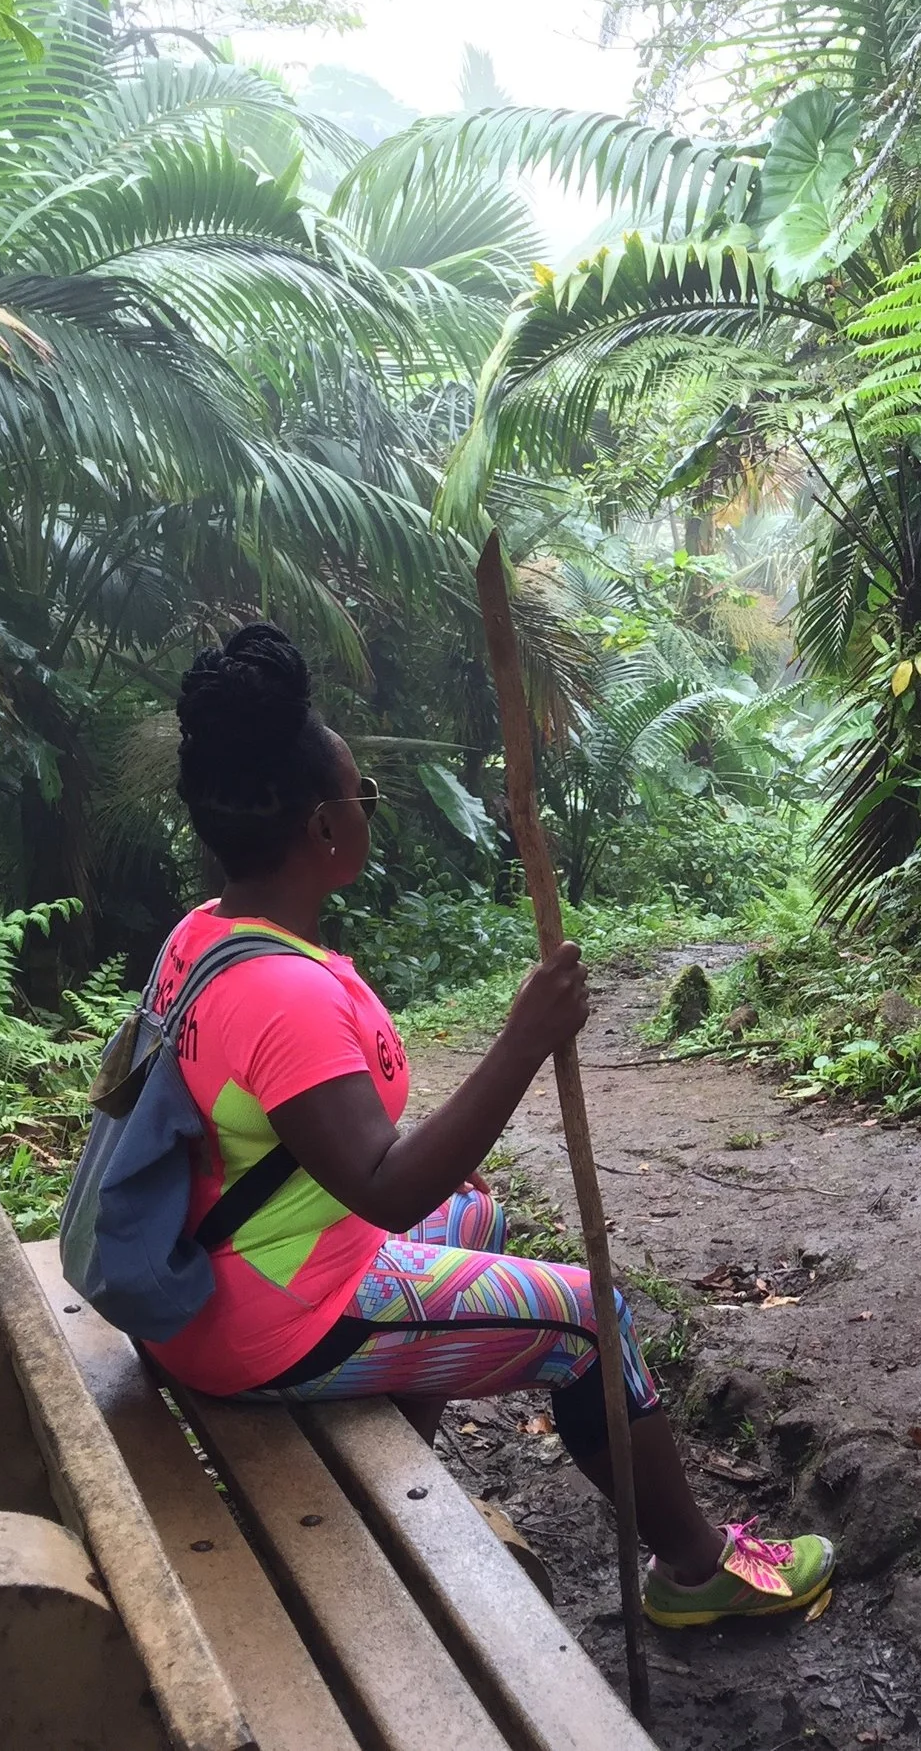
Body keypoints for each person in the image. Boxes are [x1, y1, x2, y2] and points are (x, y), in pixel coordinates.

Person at [144, 619, 831, 1627]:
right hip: (273, 1319)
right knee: (590, 1318)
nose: (365, 813)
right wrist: (523, 1040)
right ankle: (697, 1573)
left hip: (225, 1276)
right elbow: (385, 1187)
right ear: (325, 830)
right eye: (360, 797)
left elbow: (366, 1175)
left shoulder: (207, 937)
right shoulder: (280, 995)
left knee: (475, 1216)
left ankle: (395, 1482)